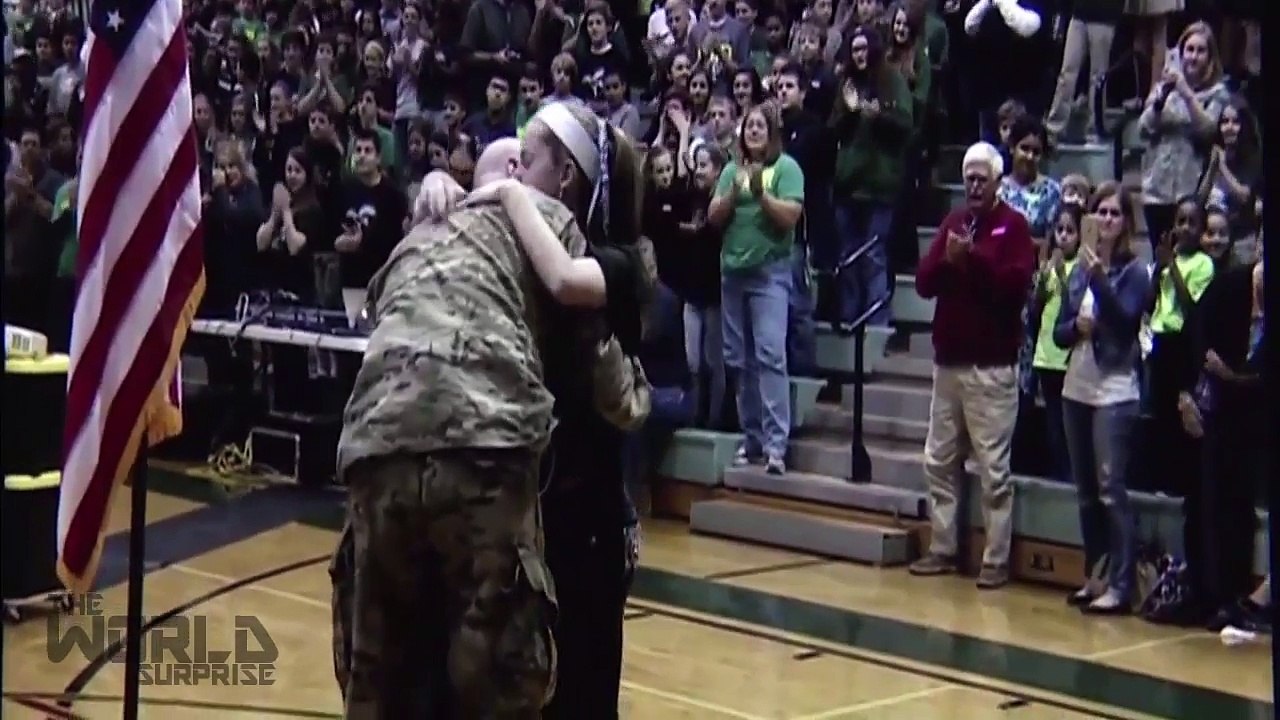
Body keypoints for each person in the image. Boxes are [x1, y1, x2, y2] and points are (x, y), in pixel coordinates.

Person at [330, 136, 649, 719]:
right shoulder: (546, 221)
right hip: (486, 449)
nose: (520, 168)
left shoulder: (422, 233)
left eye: (528, 159)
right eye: (516, 161)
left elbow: (380, 305)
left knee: (380, 669)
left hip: (378, 445)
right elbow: (612, 387)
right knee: (494, 676)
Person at [416, 100, 653, 718]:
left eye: (529, 163)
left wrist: (506, 196)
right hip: (524, 514)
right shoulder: (515, 244)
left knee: (583, 695)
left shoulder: (625, 260)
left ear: (566, 176)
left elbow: (568, 281)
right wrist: (443, 187)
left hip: (590, 520)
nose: (514, 173)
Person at [908, 141, 1036, 589]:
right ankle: (943, 548)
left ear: (999, 181)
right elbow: (924, 283)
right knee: (938, 461)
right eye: (969, 178)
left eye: (983, 177)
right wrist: (947, 259)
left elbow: (1014, 287)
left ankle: (996, 559)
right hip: (949, 366)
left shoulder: (1013, 227)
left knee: (993, 471)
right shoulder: (952, 223)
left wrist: (973, 261)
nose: (974, 185)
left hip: (991, 368)